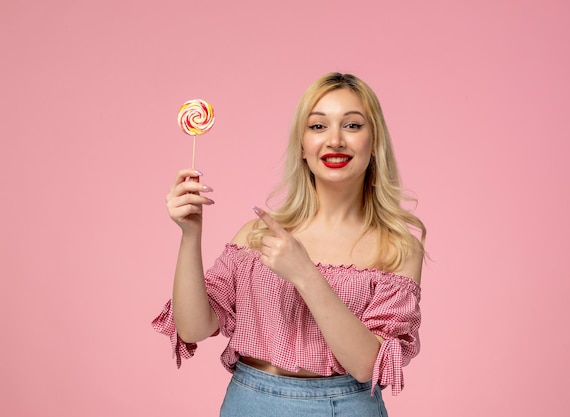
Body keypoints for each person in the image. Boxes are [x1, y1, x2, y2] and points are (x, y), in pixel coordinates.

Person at [153, 72, 426, 417]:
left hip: (345, 406)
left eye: (353, 126)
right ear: (301, 145)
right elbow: (193, 327)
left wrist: (306, 275)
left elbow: (366, 366)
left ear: (375, 144)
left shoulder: (397, 247)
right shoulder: (257, 235)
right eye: (318, 126)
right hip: (248, 402)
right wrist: (190, 235)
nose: (335, 140)